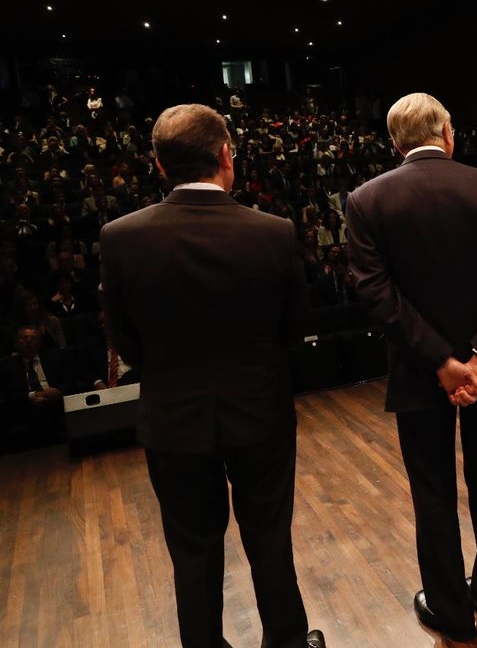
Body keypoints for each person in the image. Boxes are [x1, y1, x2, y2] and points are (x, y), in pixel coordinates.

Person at [99, 104, 325, 648]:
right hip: (261, 414)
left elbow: (125, 341)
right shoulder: (274, 232)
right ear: (227, 156)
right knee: (270, 539)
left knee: (193, 550)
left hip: (173, 420)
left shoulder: (120, 236)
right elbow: (295, 330)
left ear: (159, 165)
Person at [346, 93, 477, 641]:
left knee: (432, 491)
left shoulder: (365, 199)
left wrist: (443, 362)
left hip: (418, 372)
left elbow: (375, 295)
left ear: (395, 143)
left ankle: (450, 611)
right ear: (448, 133)